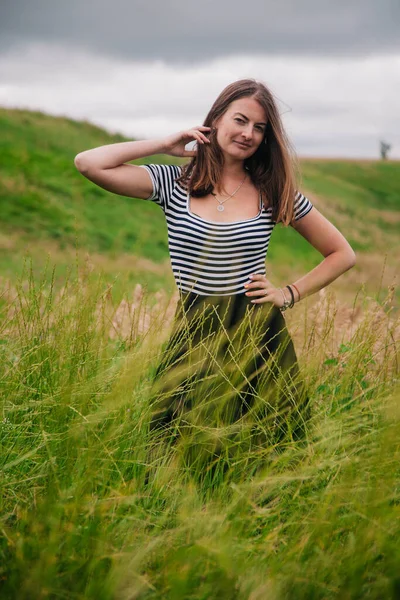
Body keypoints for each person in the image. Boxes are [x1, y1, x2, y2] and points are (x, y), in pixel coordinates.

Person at [74, 78, 356, 474]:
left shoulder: (273, 191)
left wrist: (289, 293)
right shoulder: (174, 183)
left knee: (269, 454)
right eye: (240, 120)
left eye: (259, 128)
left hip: (258, 334)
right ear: (215, 119)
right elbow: (88, 162)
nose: (248, 134)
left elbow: (342, 253)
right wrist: (164, 144)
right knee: (174, 452)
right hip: (195, 331)